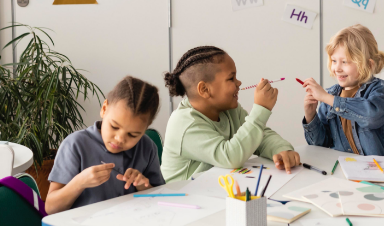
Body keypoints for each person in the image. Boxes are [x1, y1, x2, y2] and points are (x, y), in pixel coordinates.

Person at [160, 46, 300, 182]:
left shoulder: (230, 110)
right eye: (231, 78)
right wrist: (261, 109)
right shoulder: (184, 123)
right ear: (204, 89)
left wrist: (281, 149)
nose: (239, 83)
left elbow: (259, 136)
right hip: (183, 199)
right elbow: (230, 157)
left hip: (213, 192)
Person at [46, 76, 164, 214]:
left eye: (133, 135)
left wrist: (143, 186)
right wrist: (79, 182)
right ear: (104, 109)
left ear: (146, 128)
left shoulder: (147, 147)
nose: (119, 139)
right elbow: (51, 208)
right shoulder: (75, 145)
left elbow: (161, 198)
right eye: (114, 126)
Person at [300, 24, 384, 156]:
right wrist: (310, 115)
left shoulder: (379, 89)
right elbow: (320, 144)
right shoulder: (331, 95)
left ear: (368, 64)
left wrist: (327, 98)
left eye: (344, 62)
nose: (337, 68)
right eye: (334, 61)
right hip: (343, 168)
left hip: (377, 171)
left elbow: (371, 117)